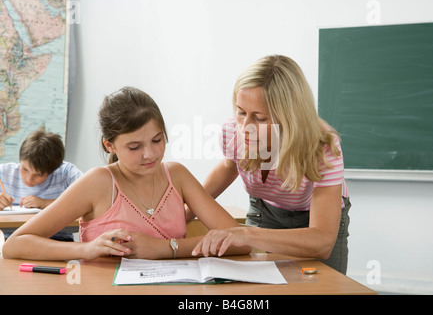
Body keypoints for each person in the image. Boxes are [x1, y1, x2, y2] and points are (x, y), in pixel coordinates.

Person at [2, 87, 250, 261]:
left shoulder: (178, 175)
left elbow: (242, 241)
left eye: (157, 140)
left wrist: (166, 248)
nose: (150, 154)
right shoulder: (98, 182)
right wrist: (86, 250)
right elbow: (15, 245)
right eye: (134, 147)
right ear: (109, 145)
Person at [191, 55, 351, 274]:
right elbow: (229, 168)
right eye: (241, 112)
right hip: (265, 210)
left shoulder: (322, 145)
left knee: (324, 286)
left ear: (289, 117)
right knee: (258, 285)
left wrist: (245, 234)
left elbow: (322, 241)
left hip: (313, 219)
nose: (245, 126)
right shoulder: (232, 131)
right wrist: (183, 213)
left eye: (259, 118)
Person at [0, 129, 83, 241]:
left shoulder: (66, 173)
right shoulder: (4, 172)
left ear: (53, 171)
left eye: (38, 174)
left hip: (57, 241)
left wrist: (44, 203)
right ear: (20, 159)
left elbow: (88, 201)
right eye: (24, 169)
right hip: (12, 241)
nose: (29, 179)